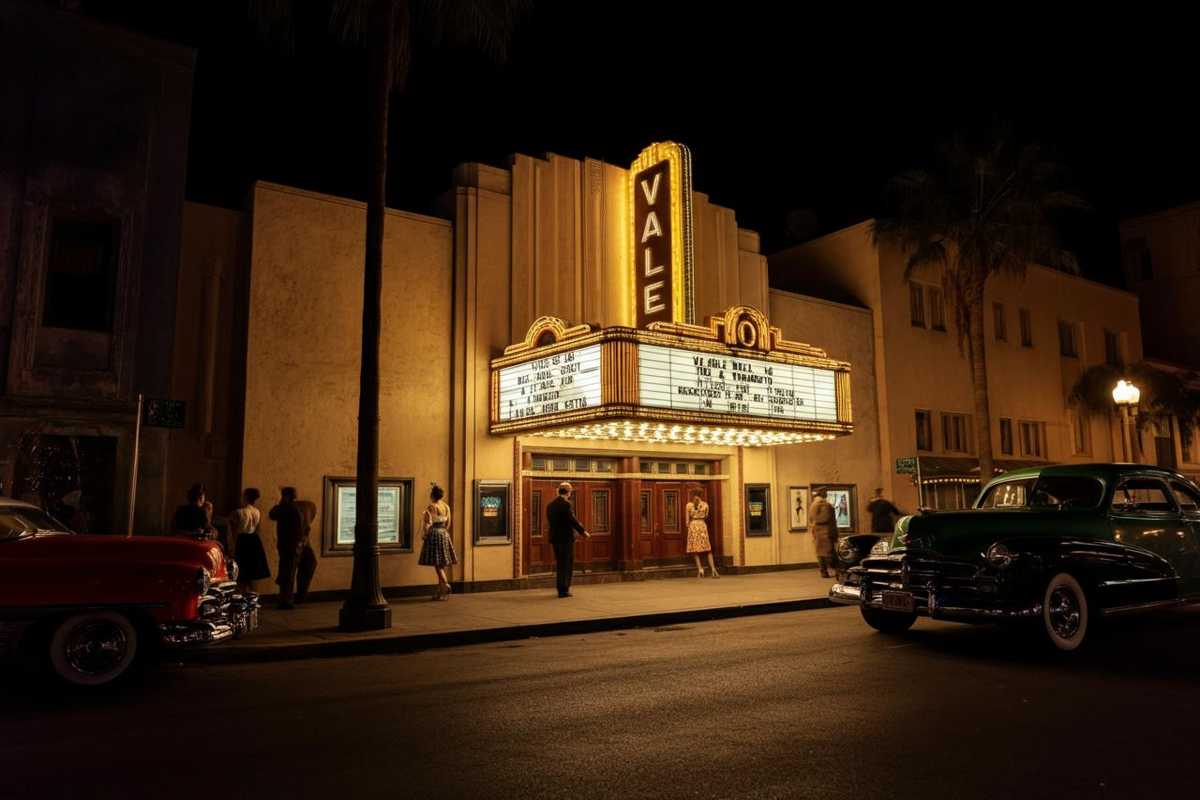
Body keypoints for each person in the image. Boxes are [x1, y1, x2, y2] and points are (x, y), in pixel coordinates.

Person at [269, 487, 313, 609]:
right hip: (293, 544)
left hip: (294, 544)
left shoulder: (287, 507)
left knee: (289, 571)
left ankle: (290, 598)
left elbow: (272, 514)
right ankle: (289, 599)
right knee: (289, 571)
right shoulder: (290, 507)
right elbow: (272, 514)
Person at [546, 481, 589, 598]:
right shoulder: (566, 504)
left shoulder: (550, 505)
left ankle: (560, 588)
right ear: (569, 492)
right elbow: (572, 520)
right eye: (570, 491)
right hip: (566, 538)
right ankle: (564, 589)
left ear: (558, 491)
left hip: (555, 538)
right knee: (567, 564)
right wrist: (583, 531)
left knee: (560, 563)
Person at [417, 484, 457, 600]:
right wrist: (444, 531)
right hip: (444, 533)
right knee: (442, 564)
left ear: (432, 495)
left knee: (437, 563)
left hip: (434, 533)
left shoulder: (431, 506)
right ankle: (440, 593)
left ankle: (445, 584)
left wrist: (425, 534)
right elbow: (448, 523)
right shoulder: (446, 506)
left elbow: (427, 523)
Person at [230, 488, 270, 593]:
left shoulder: (239, 512)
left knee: (241, 572)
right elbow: (257, 529)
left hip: (242, 540)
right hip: (253, 541)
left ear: (246, 497)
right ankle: (251, 595)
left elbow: (233, 531)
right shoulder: (257, 512)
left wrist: (232, 546)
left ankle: (241, 595)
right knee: (251, 572)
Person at [685, 489, 719, 578]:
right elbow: (706, 516)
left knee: (695, 550)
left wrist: (691, 525)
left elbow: (687, 521)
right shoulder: (705, 505)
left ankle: (700, 569)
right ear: (701, 495)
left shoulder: (688, 505)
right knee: (708, 549)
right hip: (702, 526)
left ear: (692, 495)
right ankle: (713, 570)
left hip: (693, 526)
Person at [809, 488, 837, 578]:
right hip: (826, 532)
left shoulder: (813, 505)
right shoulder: (825, 505)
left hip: (817, 532)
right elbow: (825, 518)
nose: (826, 494)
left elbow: (812, 519)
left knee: (820, 553)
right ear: (822, 494)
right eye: (825, 493)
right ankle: (838, 572)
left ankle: (823, 572)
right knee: (830, 553)